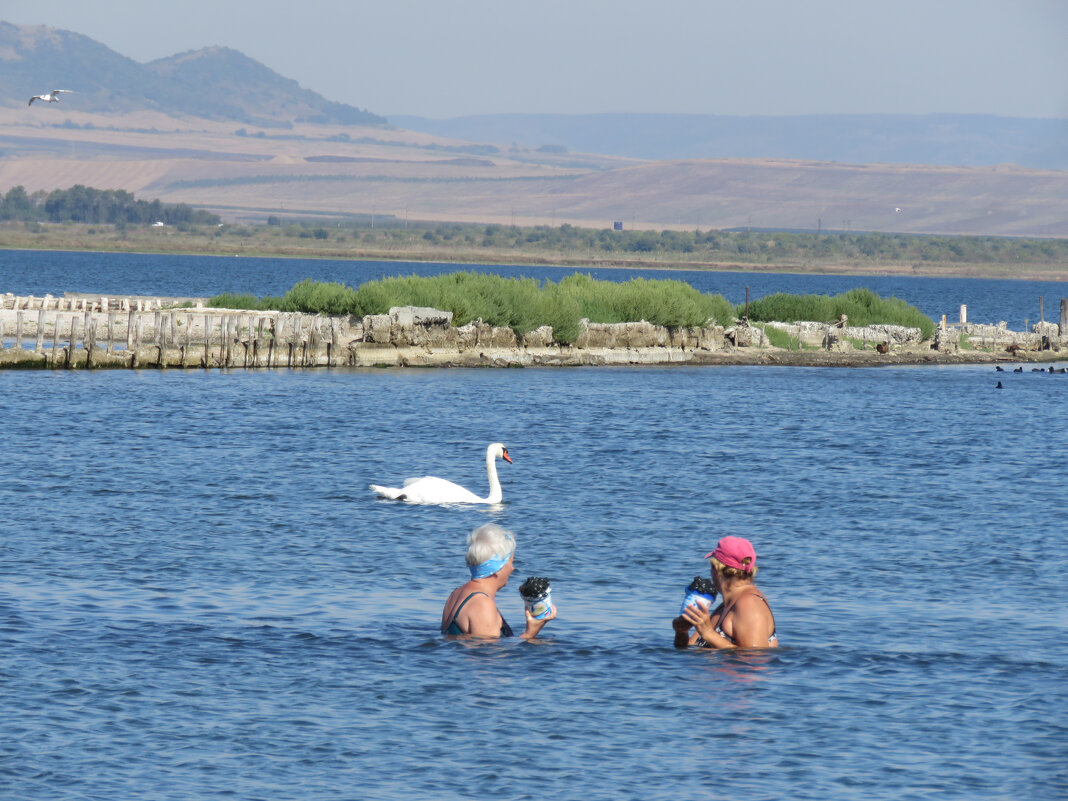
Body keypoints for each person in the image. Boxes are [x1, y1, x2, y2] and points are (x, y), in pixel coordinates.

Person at [441, 523, 556, 639]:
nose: (512, 568)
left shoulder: (455, 594)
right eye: (511, 561)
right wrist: (530, 634)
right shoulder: (482, 605)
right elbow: (488, 654)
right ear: (497, 568)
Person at [673, 535, 777, 649]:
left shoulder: (748, 604)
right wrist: (681, 632)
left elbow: (755, 657)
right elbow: (689, 648)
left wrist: (708, 633)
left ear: (716, 569)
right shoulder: (725, 607)